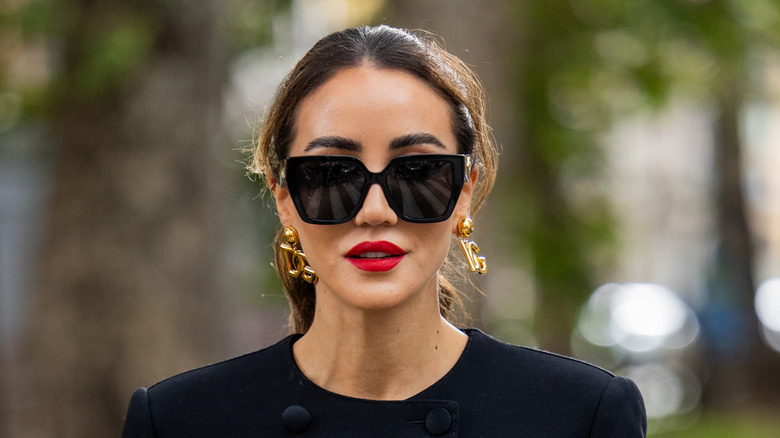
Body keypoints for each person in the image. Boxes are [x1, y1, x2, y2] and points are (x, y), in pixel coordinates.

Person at [121, 25, 646, 437]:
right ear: (284, 198)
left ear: (465, 190)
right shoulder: (180, 421)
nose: (375, 211)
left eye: (417, 172)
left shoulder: (579, 416)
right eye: (332, 174)